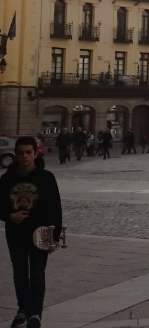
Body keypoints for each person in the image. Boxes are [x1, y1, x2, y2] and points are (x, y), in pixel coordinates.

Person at [1, 136, 63, 328]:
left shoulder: (46, 178)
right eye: (21, 153)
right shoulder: (7, 178)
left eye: (29, 152)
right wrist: (11, 216)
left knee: (37, 273)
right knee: (19, 273)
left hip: (41, 232)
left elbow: (55, 209)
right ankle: (23, 308)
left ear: (35, 153)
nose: (25, 156)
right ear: (16, 155)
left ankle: (35, 312)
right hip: (16, 233)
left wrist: (54, 237)